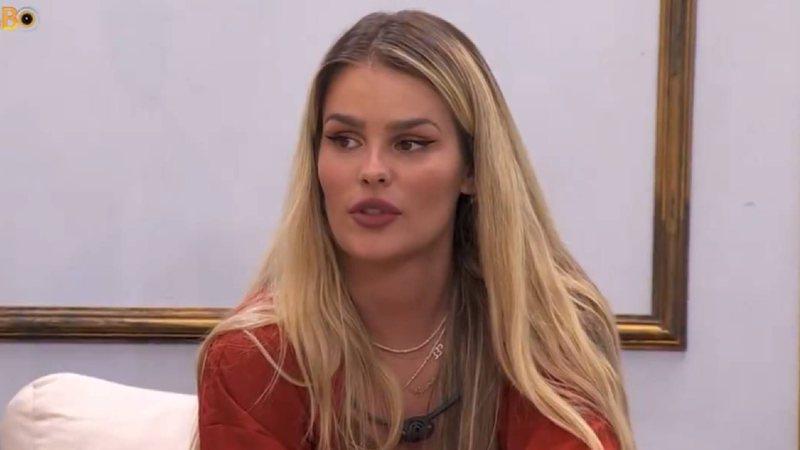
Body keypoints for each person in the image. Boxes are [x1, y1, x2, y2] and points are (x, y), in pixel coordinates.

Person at [192, 9, 636, 450]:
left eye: (410, 144)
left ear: (472, 169)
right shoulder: (256, 357)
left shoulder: (547, 332)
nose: (372, 170)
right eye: (345, 140)